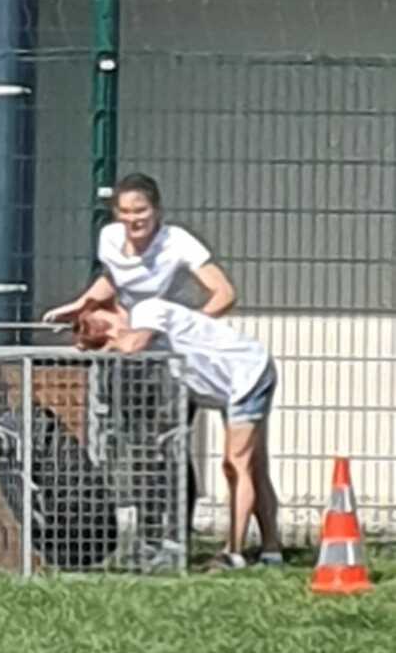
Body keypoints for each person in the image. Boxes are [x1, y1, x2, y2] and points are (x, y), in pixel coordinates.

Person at [44, 173, 237, 544]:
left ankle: (178, 534)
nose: (134, 220)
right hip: (132, 356)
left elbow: (224, 293)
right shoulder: (109, 239)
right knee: (136, 445)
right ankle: (148, 535)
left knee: (170, 443)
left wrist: (183, 328)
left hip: (173, 361)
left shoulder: (178, 243)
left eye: (141, 211)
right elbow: (113, 280)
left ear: (157, 210)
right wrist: (82, 304)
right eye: (126, 212)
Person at [76, 300, 282, 569]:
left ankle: (234, 552)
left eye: (108, 325)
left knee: (236, 465)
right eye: (103, 334)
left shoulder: (147, 311)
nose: (114, 333)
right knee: (254, 466)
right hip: (231, 386)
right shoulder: (146, 335)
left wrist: (109, 344)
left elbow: (133, 344)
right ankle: (272, 550)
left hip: (247, 376)